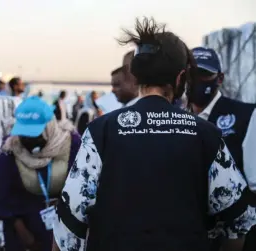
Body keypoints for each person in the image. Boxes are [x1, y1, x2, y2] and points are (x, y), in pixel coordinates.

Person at [52, 17, 256, 251]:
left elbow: (70, 216)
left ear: (137, 76)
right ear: (181, 78)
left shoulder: (101, 131)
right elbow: (239, 219)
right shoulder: (205, 134)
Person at [0, 96, 81, 251]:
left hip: (65, 226)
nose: (27, 140)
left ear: (49, 127)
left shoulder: (71, 144)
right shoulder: (11, 148)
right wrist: (24, 234)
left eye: (34, 134)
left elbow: (83, 185)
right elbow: (1, 193)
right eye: (24, 134)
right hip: (23, 229)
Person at [188, 46, 256, 251]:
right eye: (191, 74)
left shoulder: (246, 114)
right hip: (188, 230)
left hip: (234, 234)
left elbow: (254, 183)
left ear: (220, 78)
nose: (197, 80)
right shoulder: (173, 116)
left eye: (204, 74)